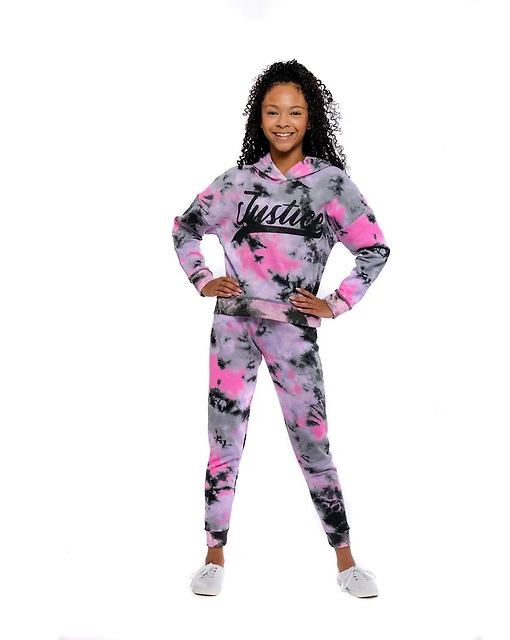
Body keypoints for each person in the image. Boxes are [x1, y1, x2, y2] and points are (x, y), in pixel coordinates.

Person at [172, 59, 390, 598]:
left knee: (313, 443)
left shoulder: (330, 185)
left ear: (310, 117)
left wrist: (335, 303)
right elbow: (185, 228)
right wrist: (203, 278)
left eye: (294, 112)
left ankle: (346, 561)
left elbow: (374, 249)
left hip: (294, 335)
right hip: (233, 331)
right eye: (273, 112)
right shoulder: (237, 182)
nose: (283, 122)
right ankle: (213, 555)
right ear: (260, 118)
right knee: (223, 441)